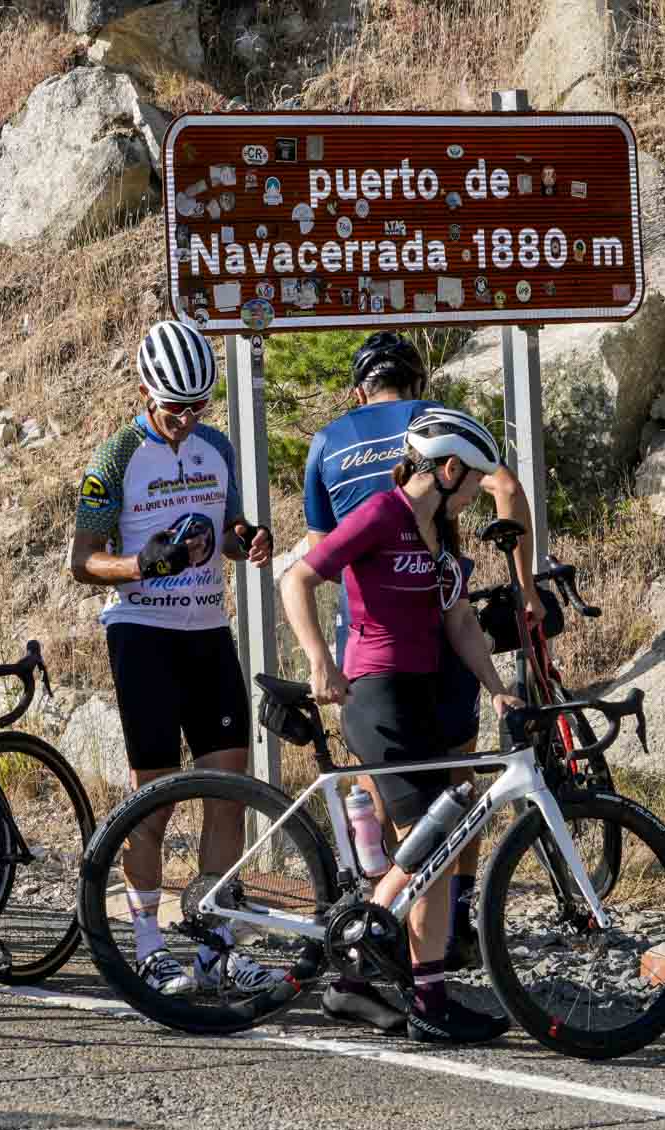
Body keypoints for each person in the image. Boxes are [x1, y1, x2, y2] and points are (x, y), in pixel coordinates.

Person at [302, 332, 542, 969]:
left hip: (364, 634)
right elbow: (509, 492)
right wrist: (524, 589)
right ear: (417, 382)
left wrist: (322, 656)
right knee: (452, 796)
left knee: (402, 799)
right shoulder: (435, 430)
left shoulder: (328, 439)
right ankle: (430, 930)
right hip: (429, 649)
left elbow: (318, 546)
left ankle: (393, 916)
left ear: (359, 389)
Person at [281, 408, 522, 1044]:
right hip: (377, 694)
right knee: (429, 846)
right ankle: (409, 986)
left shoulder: (442, 531)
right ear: (446, 469)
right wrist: (319, 661)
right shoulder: (382, 515)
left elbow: (460, 622)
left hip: (430, 691)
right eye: (473, 479)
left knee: (436, 841)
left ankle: (367, 980)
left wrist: (498, 692)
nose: (477, 492)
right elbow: (299, 577)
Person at [68, 319, 276, 998]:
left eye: (197, 407)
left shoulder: (215, 446)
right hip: (143, 633)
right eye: (173, 408)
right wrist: (139, 564)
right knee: (152, 804)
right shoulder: (115, 455)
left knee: (228, 795)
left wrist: (250, 541)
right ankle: (151, 945)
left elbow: (230, 533)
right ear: (143, 393)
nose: (186, 421)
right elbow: (82, 561)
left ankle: (216, 944)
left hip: (208, 630)